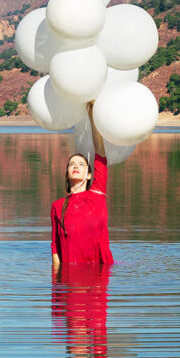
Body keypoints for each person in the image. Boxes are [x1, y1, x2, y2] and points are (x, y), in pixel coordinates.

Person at [51, 104, 114, 266]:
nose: (76, 166)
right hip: (70, 279)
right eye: (72, 164)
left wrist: (93, 116)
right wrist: (57, 282)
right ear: (67, 173)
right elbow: (55, 248)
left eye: (81, 164)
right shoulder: (57, 206)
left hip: (99, 275)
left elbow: (100, 155)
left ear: (89, 175)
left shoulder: (97, 194)